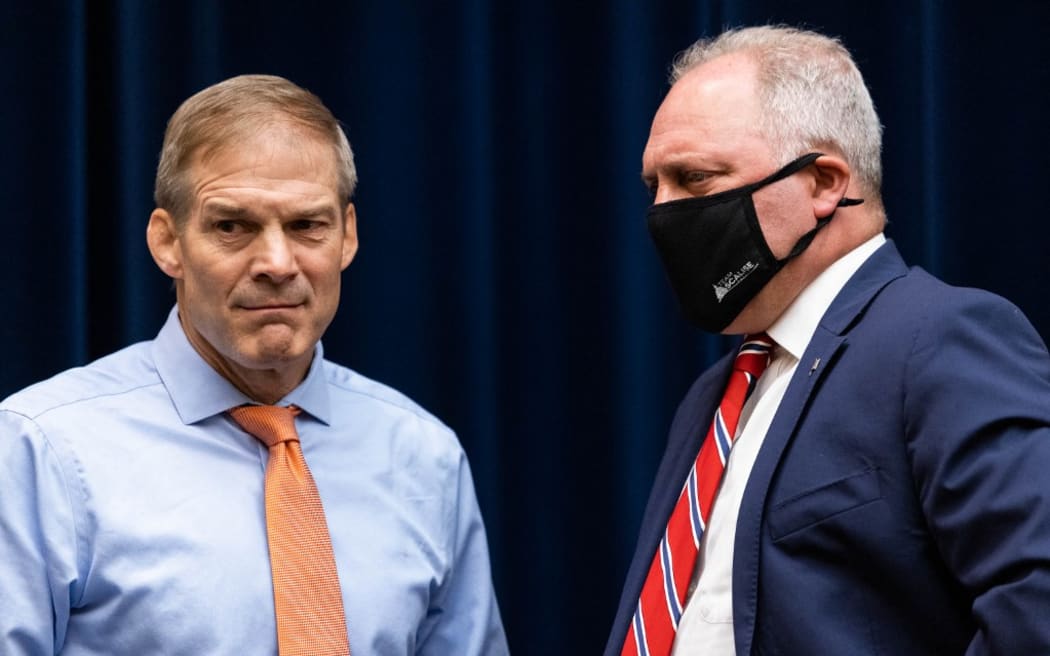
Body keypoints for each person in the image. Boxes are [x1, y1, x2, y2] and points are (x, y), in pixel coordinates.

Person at [0, 74, 508, 655]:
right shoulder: (42, 451)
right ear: (168, 242)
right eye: (232, 226)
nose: (275, 262)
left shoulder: (424, 456)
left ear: (347, 236)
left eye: (306, 225)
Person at [606, 25, 1050, 656]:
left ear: (822, 182)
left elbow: (1036, 596)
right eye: (654, 187)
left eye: (695, 178)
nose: (663, 211)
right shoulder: (718, 393)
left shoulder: (938, 338)